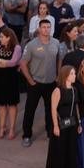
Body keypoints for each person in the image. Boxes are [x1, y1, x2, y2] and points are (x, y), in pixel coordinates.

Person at [21, 19, 64, 147]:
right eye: (44, 27)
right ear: (39, 29)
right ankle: (27, 135)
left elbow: (59, 59)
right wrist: (30, 80)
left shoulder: (56, 43)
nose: (46, 29)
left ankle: (50, 132)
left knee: (51, 109)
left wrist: (58, 76)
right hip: (36, 83)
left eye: (48, 27)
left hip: (51, 83)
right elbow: (23, 64)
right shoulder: (32, 45)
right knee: (30, 110)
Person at [43, 65, 80, 168]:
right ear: (66, 76)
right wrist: (55, 126)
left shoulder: (74, 90)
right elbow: (53, 109)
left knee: (71, 148)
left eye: (74, 73)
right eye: (72, 74)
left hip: (72, 123)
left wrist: (79, 123)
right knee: (60, 150)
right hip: (60, 124)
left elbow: (76, 107)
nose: (75, 76)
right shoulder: (57, 90)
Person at [0, 27, 22, 140]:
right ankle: (2, 128)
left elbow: (13, 63)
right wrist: (3, 63)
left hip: (12, 79)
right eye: (0, 37)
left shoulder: (17, 48)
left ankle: (12, 128)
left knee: (12, 104)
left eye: (2, 37)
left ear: (9, 38)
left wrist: (0, 62)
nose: (0, 39)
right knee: (1, 104)